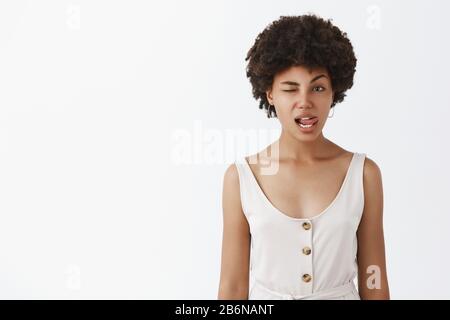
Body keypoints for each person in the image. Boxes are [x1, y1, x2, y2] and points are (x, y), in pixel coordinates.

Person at [218, 14, 390, 300]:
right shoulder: (241, 178)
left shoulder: (364, 174)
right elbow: (232, 288)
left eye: (318, 88)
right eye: (290, 89)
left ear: (334, 92)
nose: (305, 102)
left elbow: (374, 281)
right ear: (270, 92)